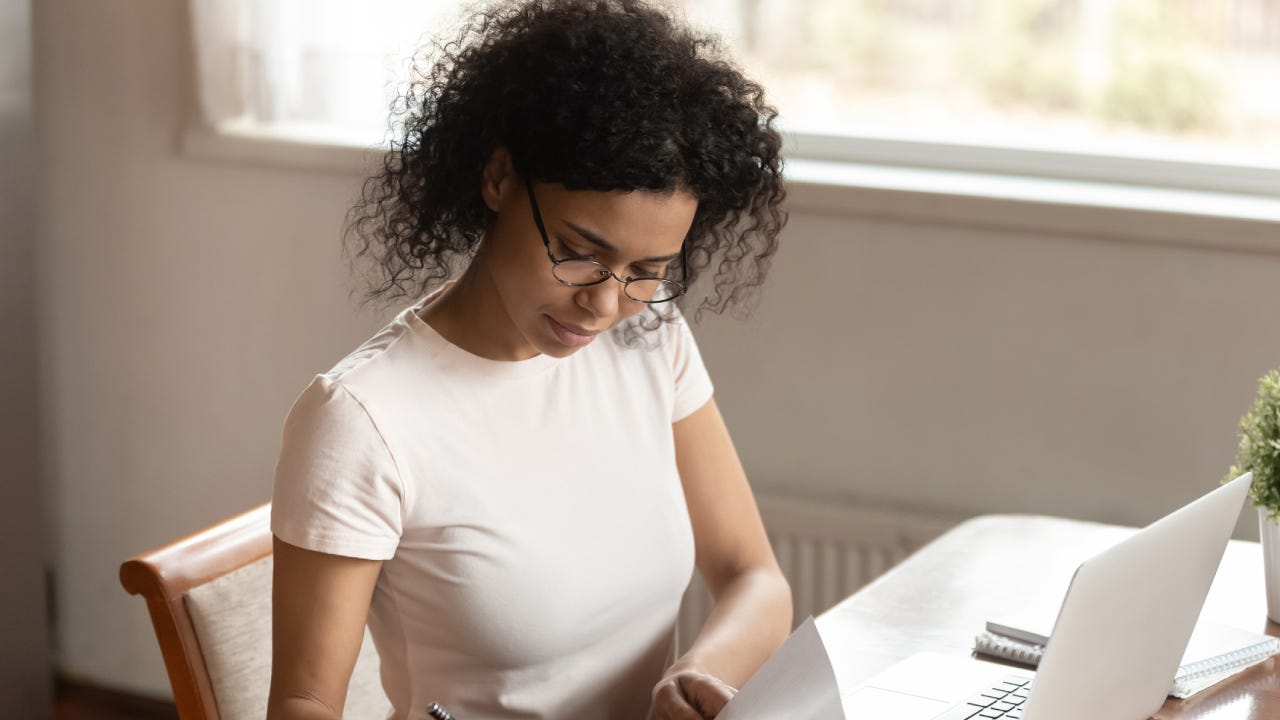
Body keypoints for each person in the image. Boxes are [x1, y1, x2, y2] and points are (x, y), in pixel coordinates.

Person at [267, 1, 791, 718]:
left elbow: (752, 576)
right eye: (580, 253)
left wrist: (695, 675)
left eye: (648, 270)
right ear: (499, 180)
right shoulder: (364, 421)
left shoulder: (649, 339)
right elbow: (303, 702)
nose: (606, 306)